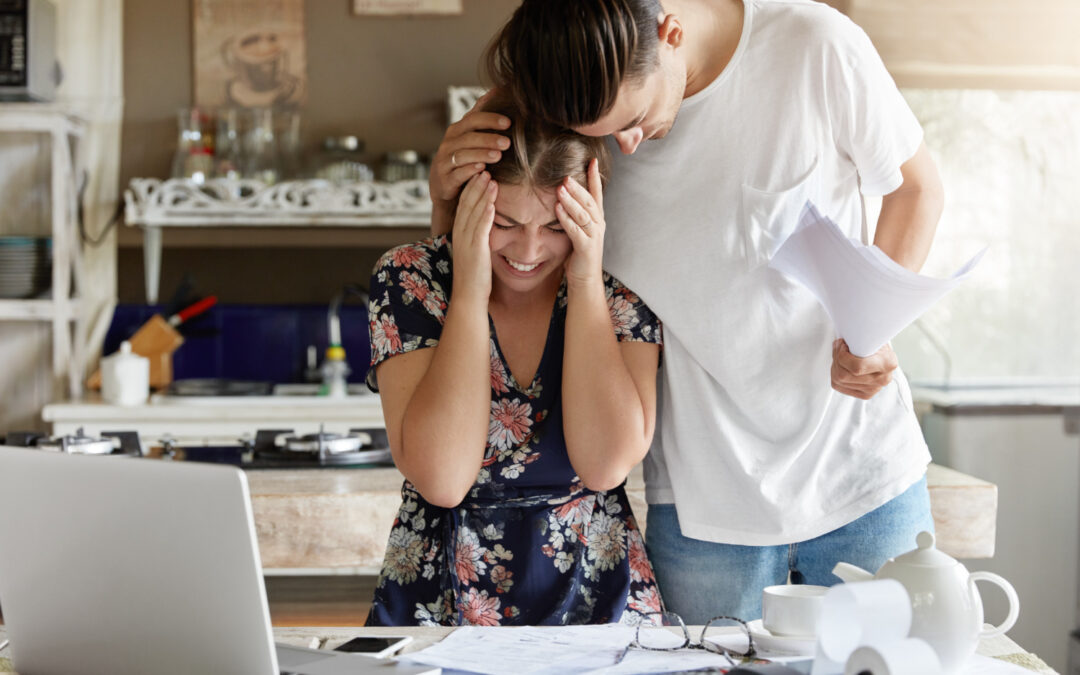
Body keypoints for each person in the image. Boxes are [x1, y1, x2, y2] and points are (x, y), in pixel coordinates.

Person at [428, 0, 945, 623]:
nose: (624, 144)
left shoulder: (815, 45)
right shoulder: (571, 102)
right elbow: (504, 253)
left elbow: (916, 189)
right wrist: (443, 190)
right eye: (600, 133)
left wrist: (871, 323)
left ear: (670, 33)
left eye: (637, 117)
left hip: (863, 481)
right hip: (702, 514)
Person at [365, 92, 664, 626]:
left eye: (554, 227)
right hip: (442, 592)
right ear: (467, 206)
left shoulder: (621, 290)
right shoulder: (411, 279)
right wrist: (469, 291)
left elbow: (604, 467)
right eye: (503, 222)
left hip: (595, 594)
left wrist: (585, 279)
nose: (528, 252)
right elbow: (443, 479)